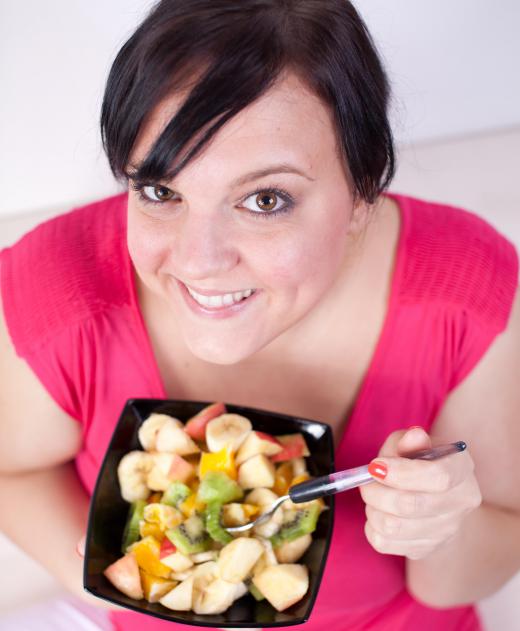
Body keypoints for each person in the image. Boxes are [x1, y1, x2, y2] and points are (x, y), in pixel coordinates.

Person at [0, 1, 518, 630]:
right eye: (161, 192)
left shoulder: (468, 295)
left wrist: (442, 527)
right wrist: (101, 577)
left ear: (362, 192)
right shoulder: (59, 293)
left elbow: (462, 580)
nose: (199, 262)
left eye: (266, 199)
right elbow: (11, 470)